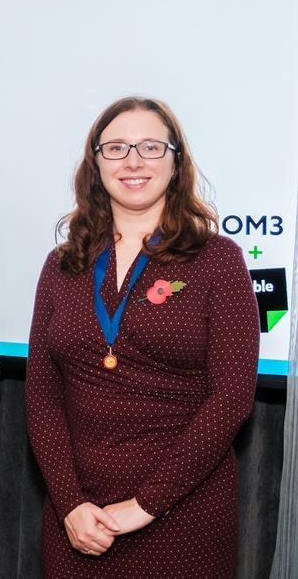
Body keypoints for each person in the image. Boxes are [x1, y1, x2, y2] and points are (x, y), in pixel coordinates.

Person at [25, 96, 260, 577]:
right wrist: (70, 503)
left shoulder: (218, 260)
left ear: (176, 162)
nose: (133, 161)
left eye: (151, 147)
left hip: (182, 511)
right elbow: (42, 396)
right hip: (79, 519)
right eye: (115, 148)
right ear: (95, 165)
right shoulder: (62, 265)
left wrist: (147, 504)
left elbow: (232, 398)